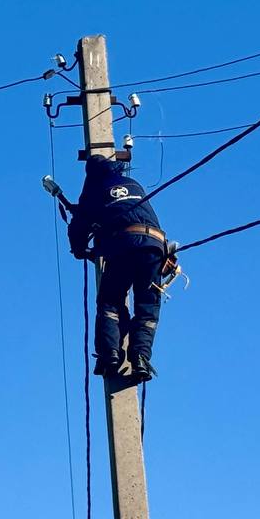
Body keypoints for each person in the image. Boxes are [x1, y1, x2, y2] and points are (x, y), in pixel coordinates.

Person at [67, 155, 168, 381]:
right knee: (147, 307)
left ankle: (110, 354)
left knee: (110, 303)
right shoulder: (134, 184)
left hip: (122, 245)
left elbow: (80, 225)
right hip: (153, 247)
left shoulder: (95, 187)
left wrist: (79, 250)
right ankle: (141, 358)